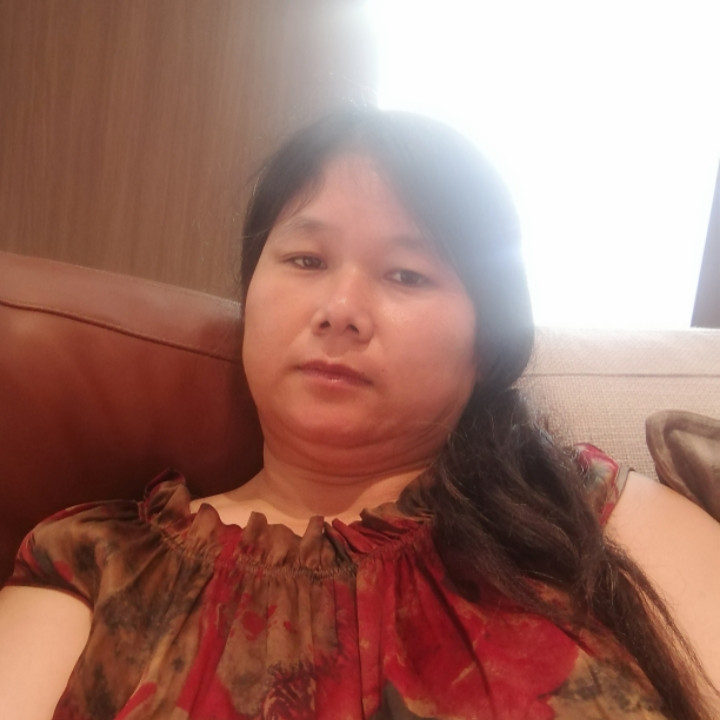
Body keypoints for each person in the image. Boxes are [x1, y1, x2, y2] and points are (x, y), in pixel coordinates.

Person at [0, 109, 718, 720]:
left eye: (407, 274)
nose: (340, 310)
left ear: (485, 343)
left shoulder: (590, 516)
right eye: (306, 260)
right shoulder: (97, 563)